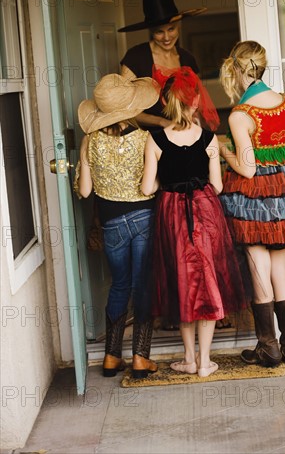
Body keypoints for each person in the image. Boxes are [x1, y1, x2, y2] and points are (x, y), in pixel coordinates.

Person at [219, 41, 285, 369]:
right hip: (284, 193)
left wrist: (224, 152)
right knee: (280, 268)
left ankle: (268, 347)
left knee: (258, 268)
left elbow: (247, 168)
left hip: (252, 202)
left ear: (236, 69)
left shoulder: (241, 114)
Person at [141, 67, 247, 378]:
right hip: (205, 212)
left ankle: (188, 358)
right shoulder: (210, 138)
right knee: (208, 280)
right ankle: (204, 362)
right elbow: (217, 187)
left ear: (165, 102)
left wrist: (168, 182)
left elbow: (148, 188)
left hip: (173, 215)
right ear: (197, 101)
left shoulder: (155, 139)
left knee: (182, 283)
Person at [76, 72, 160, 379]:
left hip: (111, 225)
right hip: (144, 219)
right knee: (142, 286)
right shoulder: (145, 139)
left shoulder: (89, 141)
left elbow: (85, 191)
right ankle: (141, 357)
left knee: (120, 285)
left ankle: (111, 357)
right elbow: (151, 185)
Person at [119, 0, 206, 130]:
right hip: (149, 141)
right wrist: (162, 122)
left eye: (172, 29)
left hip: (185, 136)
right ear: (150, 31)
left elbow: (196, 103)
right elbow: (124, 108)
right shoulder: (134, 58)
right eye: (159, 31)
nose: (167, 37)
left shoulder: (188, 59)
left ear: (179, 26)